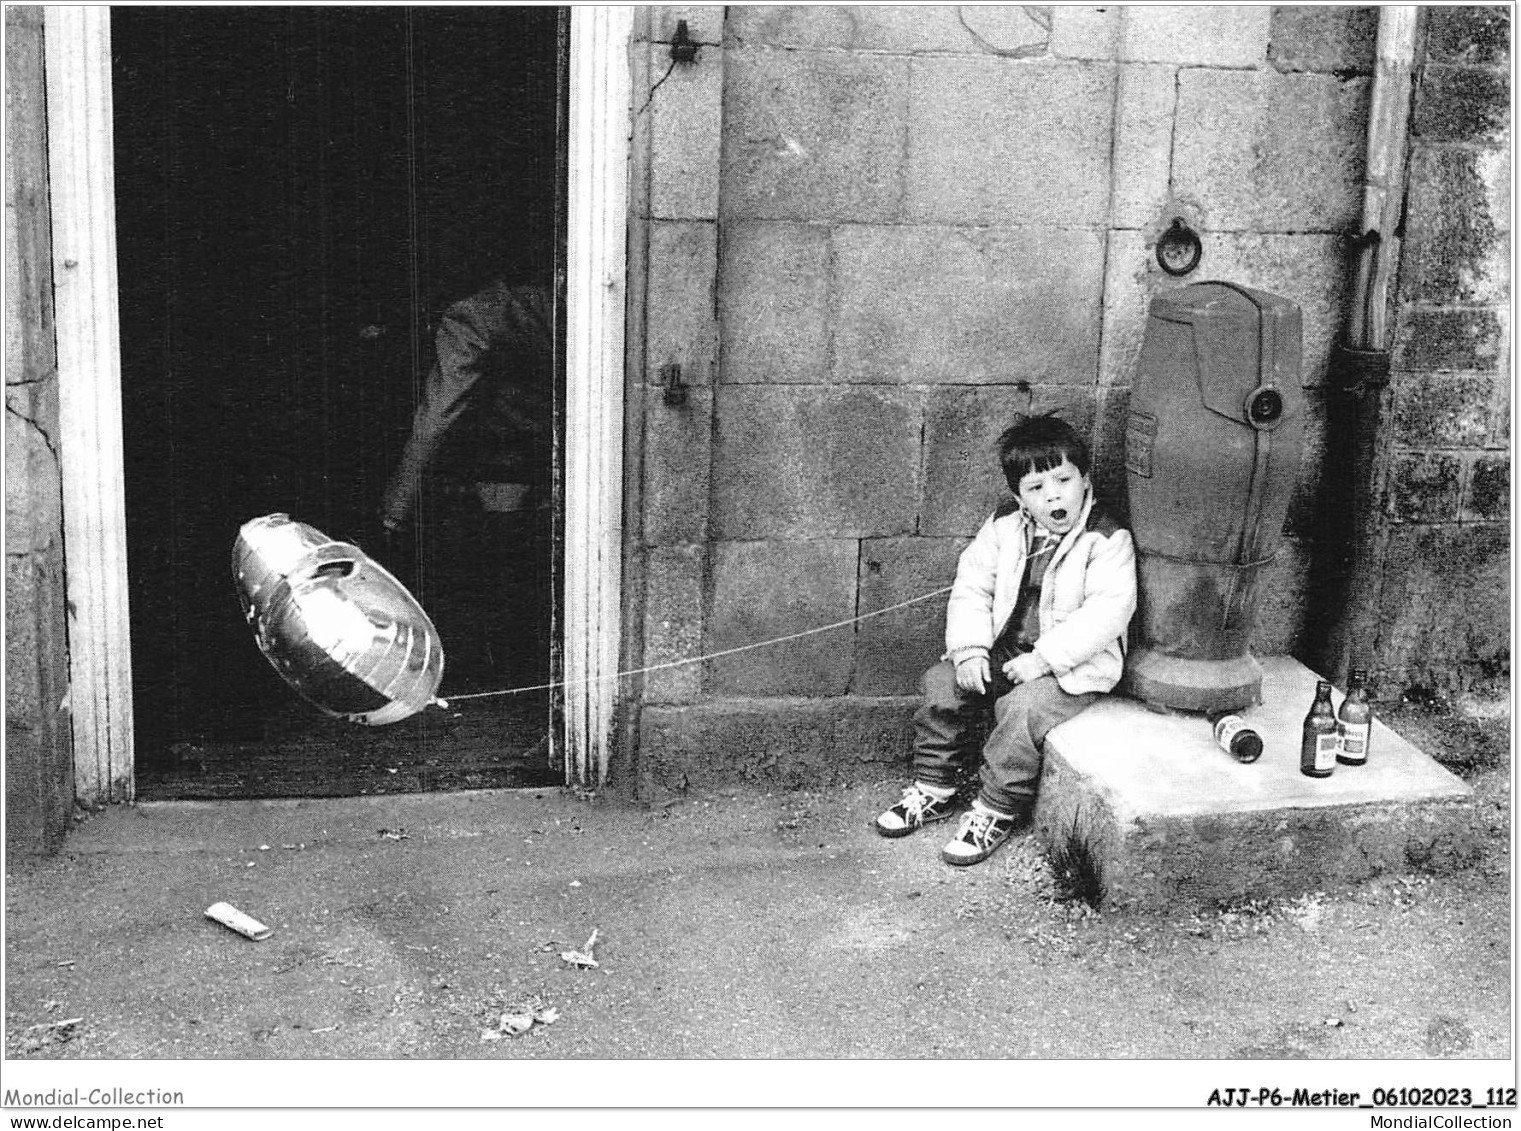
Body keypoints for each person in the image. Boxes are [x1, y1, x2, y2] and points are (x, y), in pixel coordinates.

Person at [875, 414, 1137, 866]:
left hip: (1072, 668)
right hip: (1006, 651)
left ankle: (997, 808)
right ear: (1019, 498)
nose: (1053, 494)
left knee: (1020, 711)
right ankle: (935, 784)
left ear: (1084, 479)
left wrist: (1045, 660)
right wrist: (971, 650)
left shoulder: (1106, 538)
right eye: (1036, 488)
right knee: (942, 684)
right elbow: (972, 587)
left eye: (1064, 480)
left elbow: (1107, 613)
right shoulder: (1003, 527)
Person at [378, 278, 554, 534]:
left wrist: (395, 510)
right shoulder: (540, 300)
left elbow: (438, 415)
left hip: (511, 479)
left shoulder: (471, 316)